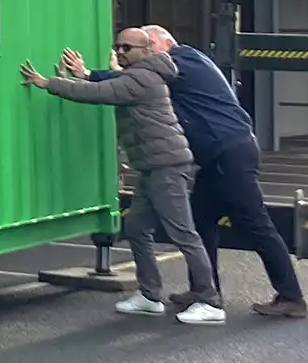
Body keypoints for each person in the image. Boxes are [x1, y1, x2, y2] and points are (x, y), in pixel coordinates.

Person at [60, 25, 305, 318]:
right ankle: (203, 290)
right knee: (200, 222)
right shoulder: (166, 69)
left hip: (231, 153)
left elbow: (135, 80)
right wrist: (103, 74)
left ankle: (291, 297)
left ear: (166, 44)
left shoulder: (184, 59)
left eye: (148, 46)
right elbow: (132, 84)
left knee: (257, 225)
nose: (145, 54)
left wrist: (90, 74)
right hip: (215, 157)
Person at [23, 28, 225, 325]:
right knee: (137, 227)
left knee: (183, 233)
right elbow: (107, 85)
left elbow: (97, 93)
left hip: (166, 166)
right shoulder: (138, 76)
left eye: (127, 47)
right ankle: (149, 296)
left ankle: (210, 302)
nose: (120, 51)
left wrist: (48, 83)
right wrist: (75, 76)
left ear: (146, 50)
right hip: (153, 165)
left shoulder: (142, 78)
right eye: (118, 46)